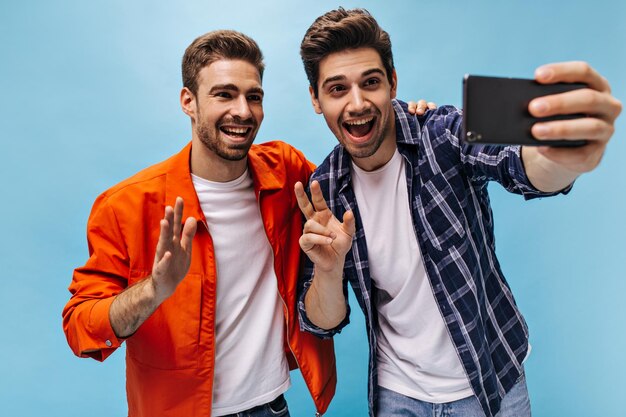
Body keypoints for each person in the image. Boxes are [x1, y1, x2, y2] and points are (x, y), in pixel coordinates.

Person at [294, 7, 622, 417]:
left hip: (491, 379)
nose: (357, 103)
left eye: (371, 83)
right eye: (337, 89)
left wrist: (565, 155)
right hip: (397, 396)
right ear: (315, 98)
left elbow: (519, 166)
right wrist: (328, 269)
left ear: (392, 83)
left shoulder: (442, 132)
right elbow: (322, 322)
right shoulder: (324, 191)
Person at [62, 30, 336, 417]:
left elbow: (355, 181)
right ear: (187, 101)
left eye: (253, 97)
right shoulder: (126, 205)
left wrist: (413, 123)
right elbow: (79, 326)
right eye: (224, 94)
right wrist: (153, 291)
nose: (242, 111)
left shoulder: (285, 172)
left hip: (271, 407)